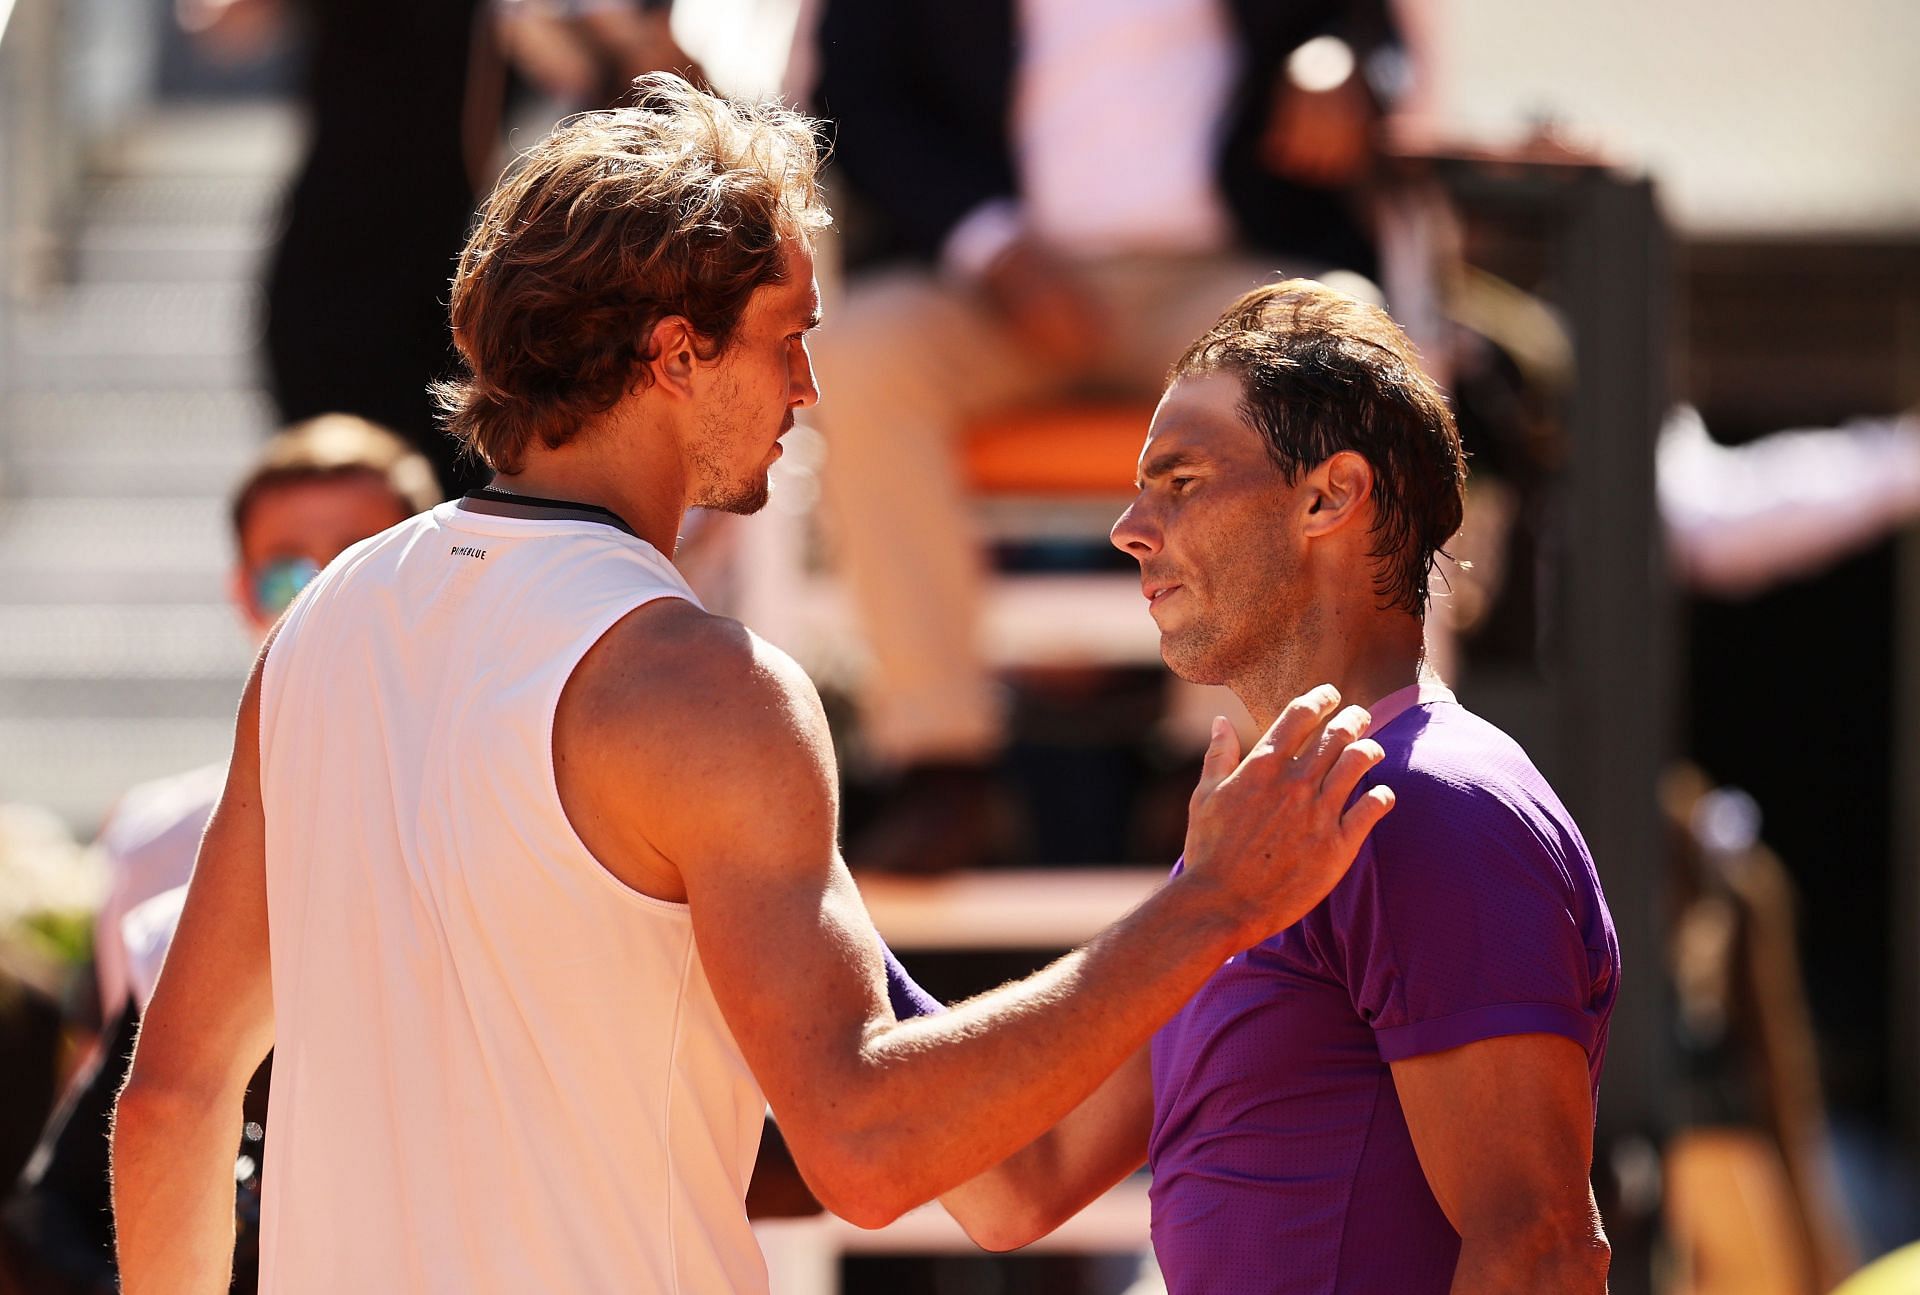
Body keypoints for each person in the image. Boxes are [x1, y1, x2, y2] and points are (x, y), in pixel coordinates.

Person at [109, 76, 1396, 1295]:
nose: (809, 387)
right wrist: (1214, 902)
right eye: (787, 337)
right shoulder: (707, 691)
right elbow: (872, 1146)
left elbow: (172, 1096)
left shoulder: (321, 629)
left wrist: (1221, 915)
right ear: (677, 353)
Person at [932, 281, 1620, 1294]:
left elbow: (1544, 1248)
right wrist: (771, 892)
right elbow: (1020, 1176)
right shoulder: (1270, 834)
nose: (1128, 526)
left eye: (1180, 479)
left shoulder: (1429, 805)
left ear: (1329, 495)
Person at [805, 0, 1408, 871]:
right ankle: (936, 758)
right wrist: (994, 247)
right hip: (991, 279)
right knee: (860, 360)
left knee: (1322, 344)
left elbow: (1369, 33)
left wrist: (1338, 64)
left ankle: (1225, 754)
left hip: (1223, 271)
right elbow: (858, 97)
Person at [0, 417, 438, 1295]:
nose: (316, 595)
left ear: (425, 582)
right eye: (287, 569)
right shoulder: (156, 840)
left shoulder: (511, 806)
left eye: (356, 560)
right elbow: (130, 1109)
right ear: (243, 590)